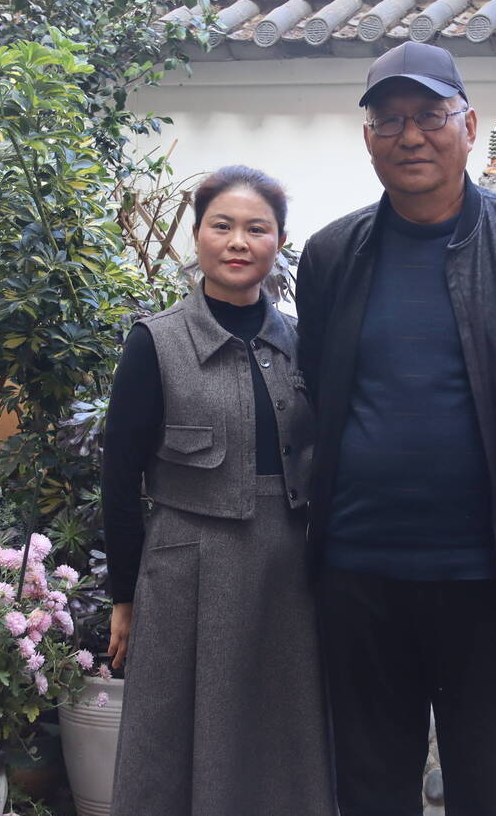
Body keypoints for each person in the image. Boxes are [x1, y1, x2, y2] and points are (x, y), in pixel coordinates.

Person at [296, 42, 496, 816]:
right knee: (369, 789)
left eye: (430, 116)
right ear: (368, 138)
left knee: (486, 788)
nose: (410, 136)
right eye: (389, 120)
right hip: (359, 573)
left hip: (486, 578)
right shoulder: (332, 255)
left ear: (467, 126)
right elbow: (317, 393)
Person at [101, 165, 334, 815]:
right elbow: (119, 479)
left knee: (284, 739)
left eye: (257, 229)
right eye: (222, 225)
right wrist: (124, 597)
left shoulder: (302, 342)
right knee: (175, 740)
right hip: (186, 574)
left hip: (289, 571)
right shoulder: (156, 343)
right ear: (198, 235)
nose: (238, 242)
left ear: (278, 242)